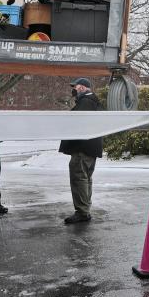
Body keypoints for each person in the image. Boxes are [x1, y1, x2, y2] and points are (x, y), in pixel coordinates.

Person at [59, 77, 102, 224]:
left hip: (82, 148)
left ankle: (82, 212)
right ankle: (84, 209)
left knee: (79, 179)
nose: (74, 90)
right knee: (85, 179)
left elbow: (76, 124)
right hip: (89, 148)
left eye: (75, 87)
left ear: (83, 88)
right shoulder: (92, 102)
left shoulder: (85, 103)